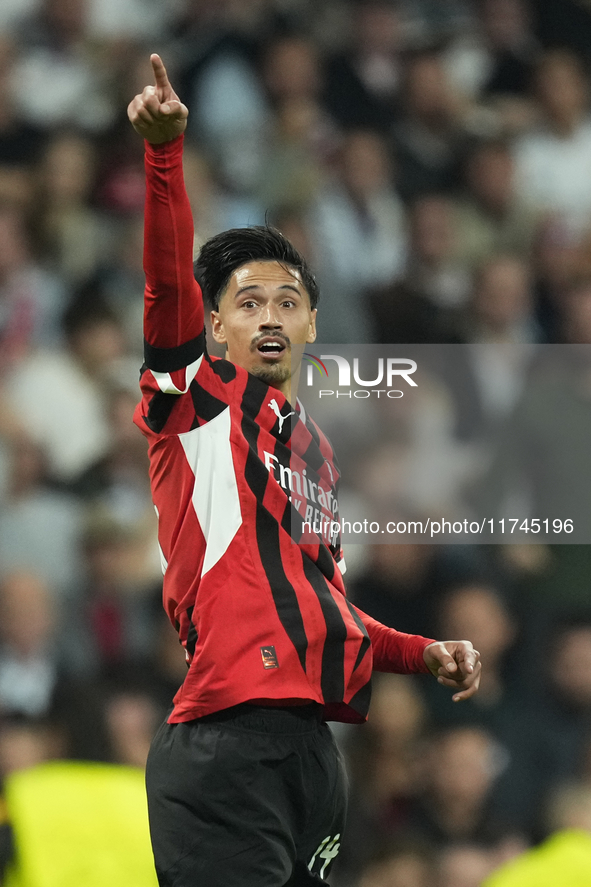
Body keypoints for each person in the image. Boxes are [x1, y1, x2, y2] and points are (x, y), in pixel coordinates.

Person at [127, 54, 481, 887]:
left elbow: (327, 607)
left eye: (286, 300)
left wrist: (418, 652)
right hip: (223, 745)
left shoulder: (314, 449)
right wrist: (165, 157)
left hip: (313, 755)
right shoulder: (198, 403)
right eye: (246, 302)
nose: (269, 315)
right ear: (215, 328)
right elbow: (164, 290)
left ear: (314, 322)